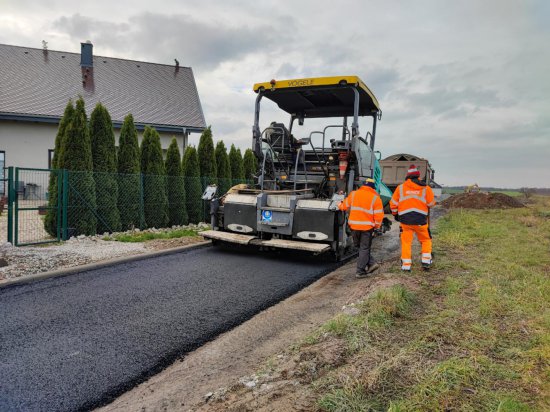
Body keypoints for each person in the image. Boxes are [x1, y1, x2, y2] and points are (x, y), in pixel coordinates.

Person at [390, 164, 436, 271]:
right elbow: (431, 204)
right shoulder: (426, 188)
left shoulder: (400, 188)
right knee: (425, 239)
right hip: (421, 220)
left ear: (407, 176)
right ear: (418, 176)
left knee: (406, 242)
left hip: (405, 221)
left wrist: (396, 215)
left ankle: (406, 266)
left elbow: (393, 204)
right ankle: (426, 261)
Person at [338, 178, 384, 278]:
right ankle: (361, 271)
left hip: (354, 227)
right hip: (367, 228)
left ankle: (371, 264)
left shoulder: (354, 194)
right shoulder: (376, 198)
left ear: (363, 185)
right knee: (364, 248)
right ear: (373, 188)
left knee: (360, 247)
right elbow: (378, 216)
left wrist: (338, 205)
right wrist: (376, 227)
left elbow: (344, 206)